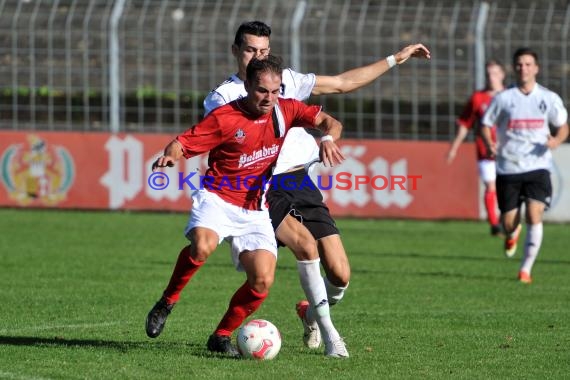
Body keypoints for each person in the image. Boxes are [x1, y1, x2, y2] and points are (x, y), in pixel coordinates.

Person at [145, 20, 431, 350]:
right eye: (251, 50)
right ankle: (330, 336)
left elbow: (341, 84)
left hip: (294, 182)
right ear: (236, 51)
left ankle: (295, 318)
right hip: (254, 186)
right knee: (298, 246)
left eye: (264, 51)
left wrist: (395, 58)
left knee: (332, 274)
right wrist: (173, 155)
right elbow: (209, 137)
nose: (257, 58)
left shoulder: (285, 85)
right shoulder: (223, 99)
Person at [147, 55, 349, 357]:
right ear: (248, 87)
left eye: (276, 90)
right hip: (218, 197)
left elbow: (328, 121)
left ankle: (221, 335)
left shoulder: (285, 111)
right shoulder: (225, 118)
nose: (270, 98)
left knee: (262, 280)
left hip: (254, 208)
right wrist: (170, 156)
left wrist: (329, 139)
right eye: (262, 91)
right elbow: (184, 142)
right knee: (202, 246)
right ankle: (167, 300)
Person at [481, 47, 569, 284]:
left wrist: (557, 140)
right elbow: (485, 123)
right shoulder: (503, 98)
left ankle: (525, 269)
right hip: (508, 167)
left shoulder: (548, 98)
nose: (524, 68)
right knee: (508, 223)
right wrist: (490, 143)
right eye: (520, 64)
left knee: (534, 213)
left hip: (538, 166)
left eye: (528, 64)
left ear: (536, 68)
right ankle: (512, 233)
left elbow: (563, 126)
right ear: (514, 68)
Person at [447, 60, 506, 236]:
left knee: (507, 188)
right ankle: (495, 225)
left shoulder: (511, 96)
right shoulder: (478, 98)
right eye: (488, 74)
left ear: (502, 75)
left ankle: (506, 220)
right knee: (491, 186)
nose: (491, 77)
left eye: (495, 73)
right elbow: (465, 124)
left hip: (508, 151)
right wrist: (454, 148)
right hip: (485, 150)